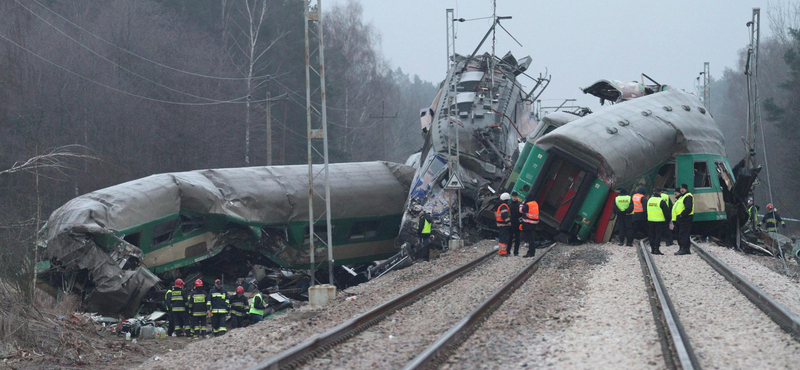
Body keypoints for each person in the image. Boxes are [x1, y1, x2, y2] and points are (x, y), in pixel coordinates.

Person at [646, 188, 670, 255]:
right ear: (660, 193)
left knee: (651, 235)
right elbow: (666, 212)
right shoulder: (661, 201)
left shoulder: (649, 200)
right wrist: (667, 221)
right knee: (658, 236)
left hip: (650, 220)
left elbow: (646, 210)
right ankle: (657, 249)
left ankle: (652, 249)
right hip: (659, 221)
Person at [674, 184, 694, 255]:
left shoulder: (688, 196)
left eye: (683, 189)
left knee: (682, 234)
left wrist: (681, 215)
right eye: (681, 189)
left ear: (686, 189)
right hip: (682, 218)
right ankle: (686, 249)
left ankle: (682, 249)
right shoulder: (682, 197)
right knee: (684, 234)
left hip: (685, 218)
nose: (682, 190)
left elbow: (688, 208)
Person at [509, 192, 523, 256]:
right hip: (511, 224)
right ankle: (508, 251)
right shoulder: (509, 205)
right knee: (509, 238)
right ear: (512, 197)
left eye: (515, 197)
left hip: (517, 224)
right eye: (513, 197)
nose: (514, 198)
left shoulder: (519, 205)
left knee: (517, 239)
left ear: (517, 197)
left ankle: (516, 252)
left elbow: (522, 215)